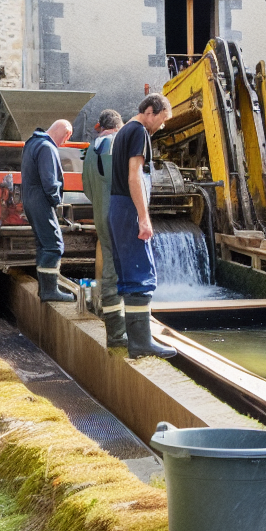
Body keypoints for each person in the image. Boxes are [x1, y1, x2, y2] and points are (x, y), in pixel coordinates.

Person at [108, 93, 176, 359]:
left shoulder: (123, 131)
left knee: (127, 276)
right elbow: (134, 176)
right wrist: (144, 217)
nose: (162, 126)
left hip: (116, 206)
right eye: (162, 119)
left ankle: (134, 338)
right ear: (150, 111)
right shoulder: (139, 133)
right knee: (141, 273)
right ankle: (141, 343)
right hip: (127, 207)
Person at [82, 109, 125, 347]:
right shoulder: (112, 144)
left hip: (100, 213)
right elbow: (121, 181)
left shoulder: (90, 148)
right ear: (118, 127)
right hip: (116, 215)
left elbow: (86, 187)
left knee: (107, 261)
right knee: (115, 271)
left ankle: (101, 309)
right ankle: (117, 330)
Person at [21, 119, 75, 302]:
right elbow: (50, 181)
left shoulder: (32, 143)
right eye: (67, 139)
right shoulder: (47, 147)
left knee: (43, 244)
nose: (64, 144)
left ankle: (45, 289)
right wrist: (56, 201)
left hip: (30, 199)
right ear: (66, 133)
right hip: (41, 201)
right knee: (53, 245)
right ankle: (50, 291)